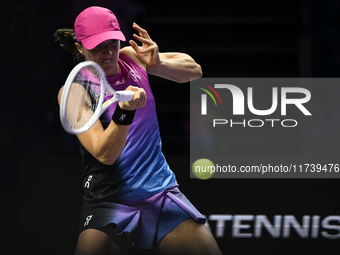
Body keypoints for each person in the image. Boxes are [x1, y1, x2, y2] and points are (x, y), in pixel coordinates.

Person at [55, 6, 222, 255]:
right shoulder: (77, 91)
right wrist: (125, 112)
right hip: (110, 200)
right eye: (97, 46)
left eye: (112, 43)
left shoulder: (130, 57)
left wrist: (158, 62)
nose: (107, 53)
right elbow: (104, 153)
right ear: (80, 47)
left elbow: (194, 70)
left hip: (160, 192)